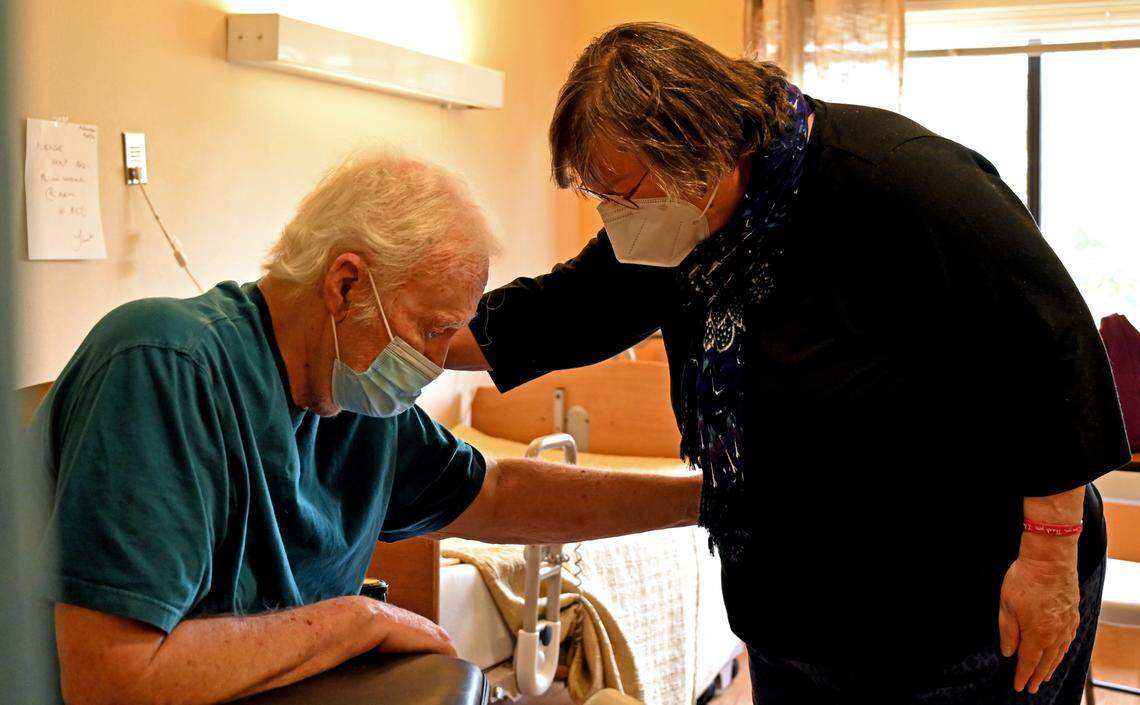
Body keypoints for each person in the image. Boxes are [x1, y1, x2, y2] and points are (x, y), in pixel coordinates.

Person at [445, 23, 1131, 704]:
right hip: (802, 616)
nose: (616, 216)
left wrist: (1049, 556)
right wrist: (411, 336)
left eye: (627, 193)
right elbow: (563, 307)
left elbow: (1051, 342)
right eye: (603, 198)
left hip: (961, 602)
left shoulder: (896, 179)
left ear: (699, 150)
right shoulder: (682, 225)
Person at [30, 151, 701, 705]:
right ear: (346, 284)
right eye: (433, 330)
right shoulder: (164, 367)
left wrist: (698, 501)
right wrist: (358, 619)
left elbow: (495, 494)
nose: (439, 365)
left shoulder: (356, 408)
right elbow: (114, 680)